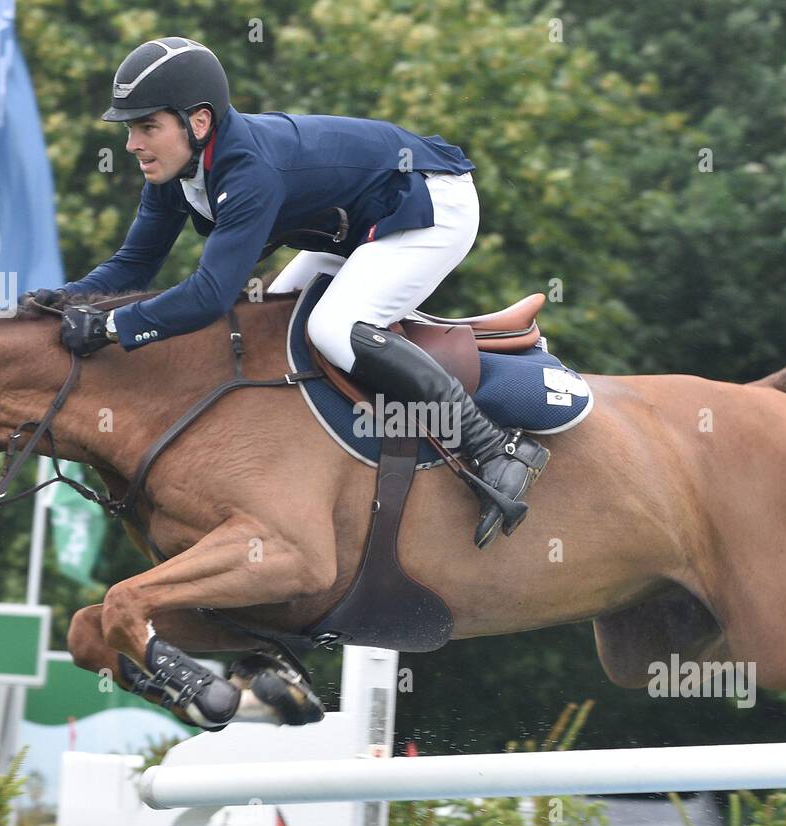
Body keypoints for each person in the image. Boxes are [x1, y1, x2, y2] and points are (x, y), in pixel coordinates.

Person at [33, 37, 549, 548]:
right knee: (263, 329)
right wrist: (55, 304)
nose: (132, 144)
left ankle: (496, 447)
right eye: (130, 129)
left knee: (333, 329)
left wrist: (108, 327)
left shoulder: (247, 171)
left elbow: (209, 296)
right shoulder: (176, 171)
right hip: (355, 222)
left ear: (199, 122)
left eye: (147, 127)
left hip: (430, 205)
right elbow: (134, 264)